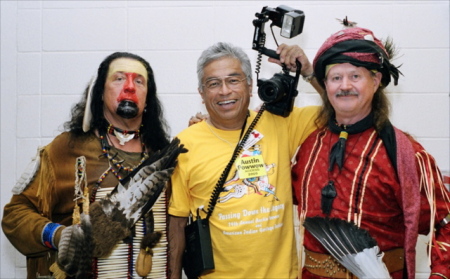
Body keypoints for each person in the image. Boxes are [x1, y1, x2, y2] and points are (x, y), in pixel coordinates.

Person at [2, 52, 184, 279]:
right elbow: (15, 215)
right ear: (99, 92)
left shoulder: (163, 156)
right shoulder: (67, 148)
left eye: (139, 81)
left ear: (148, 97)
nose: (129, 87)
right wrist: (58, 235)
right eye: (118, 79)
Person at [291, 26, 450, 279]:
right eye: (336, 78)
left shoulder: (406, 154)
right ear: (325, 85)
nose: (345, 86)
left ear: (375, 82)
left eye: (355, 76)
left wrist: (440, 275)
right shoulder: (309, 147)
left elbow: (445, 223)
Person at [167, 42, 319, 279]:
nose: (224, 91)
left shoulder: (281, 123)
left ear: (250, 87)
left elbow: (342, 109)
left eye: (234, 80)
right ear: (202, 93)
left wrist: (309, 72)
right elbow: (176, 223)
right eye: (213, 84)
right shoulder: (184, 144)